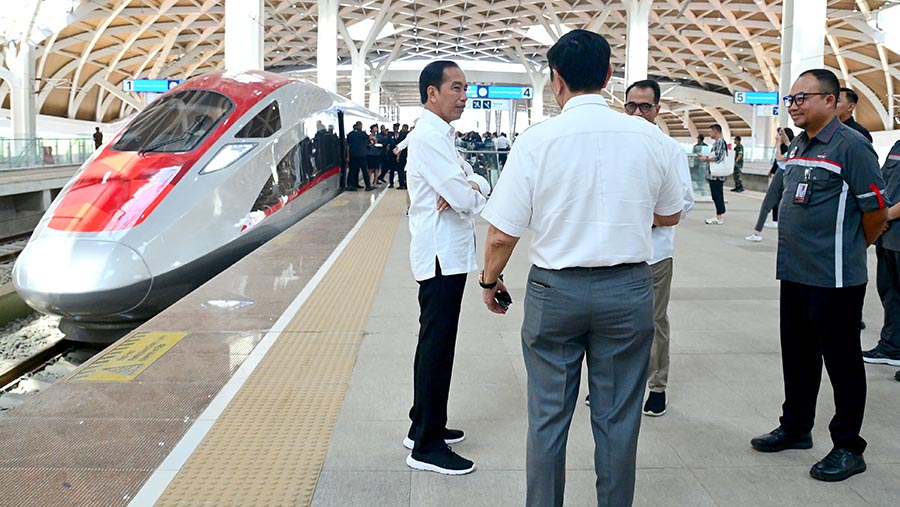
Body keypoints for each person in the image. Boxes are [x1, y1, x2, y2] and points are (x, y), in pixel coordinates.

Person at [479, 30, 684, 506]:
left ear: (556, 80)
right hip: (628, 290)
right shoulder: (648, 138)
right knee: (617, 419)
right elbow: (671, 213)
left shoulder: (537, 141)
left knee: (548, 417)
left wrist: (490, 281)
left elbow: (501, 234)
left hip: (555, 292)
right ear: (610, 76)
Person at [750, 69, 887, 483]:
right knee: (798, 355)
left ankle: (848, 446)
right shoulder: (799, 144)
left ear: (830, 100)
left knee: (842, 362)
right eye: (791, 100)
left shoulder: (851, 146)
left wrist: (847, 251)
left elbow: (876, 212)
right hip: (795, 272)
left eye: (802, 98)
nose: (794, 106)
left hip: (835, 279)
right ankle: (796, 428)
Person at [404, 60, 490, 476]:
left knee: (433, 342)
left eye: (465, 87)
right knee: (438, 347)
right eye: (455, 88)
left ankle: (422, 421)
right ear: (431, 93)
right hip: (441, 257)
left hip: (445, 254)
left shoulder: (440, 135)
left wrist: (471, 185)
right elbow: (463, 196)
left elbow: (472, 182)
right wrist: (468, 189)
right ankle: (427, 445)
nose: (463, 95)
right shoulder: (429, 138)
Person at [621, 79, 694, 417]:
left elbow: (685, 201)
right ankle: (615, 385)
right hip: (616, 252)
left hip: (655, 253)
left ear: (657, 110)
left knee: (652, 321)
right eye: (631, 106)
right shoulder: (614, 147)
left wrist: (650, 218)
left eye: (644, 106)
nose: (637, 112)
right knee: (614, 322)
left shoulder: (670, 151)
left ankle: (657, 385)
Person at [863, 140, 900, 367]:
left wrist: (885, 216)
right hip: (888, 236)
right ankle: (891, 347)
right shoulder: (897, 146)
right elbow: (883, 183)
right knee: (890, 293)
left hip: (892, 226)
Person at [746, 128, 794, 242]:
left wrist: (778, 144)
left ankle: (757, 233)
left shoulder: (791, 148)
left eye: (779, 135)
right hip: (787, 175)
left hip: (782, 174)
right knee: (783, 205)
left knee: (767, 203)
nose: (777, 137)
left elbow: (779, 158)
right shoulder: (793, 147)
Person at [700, 124, 728, 224]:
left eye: (710, 131)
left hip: (716, 175)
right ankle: (719, 215)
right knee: (716, 195)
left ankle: (719, 217)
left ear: (716, 131)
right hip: (714, 175)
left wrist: (706, 159)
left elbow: (718, 157)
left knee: (717, 195)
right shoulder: (718, 142)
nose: (709, 134)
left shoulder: (720, 142)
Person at [345, 121, 372, 191]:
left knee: (352, 170)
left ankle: (350, 185)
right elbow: (369, 141)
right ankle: (368, 186)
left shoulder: (350, 134)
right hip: (362, 154)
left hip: (352, 154)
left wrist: (348, 156)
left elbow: (347, 146)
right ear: (360, 126)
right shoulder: (363, 134)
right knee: (364, 170)